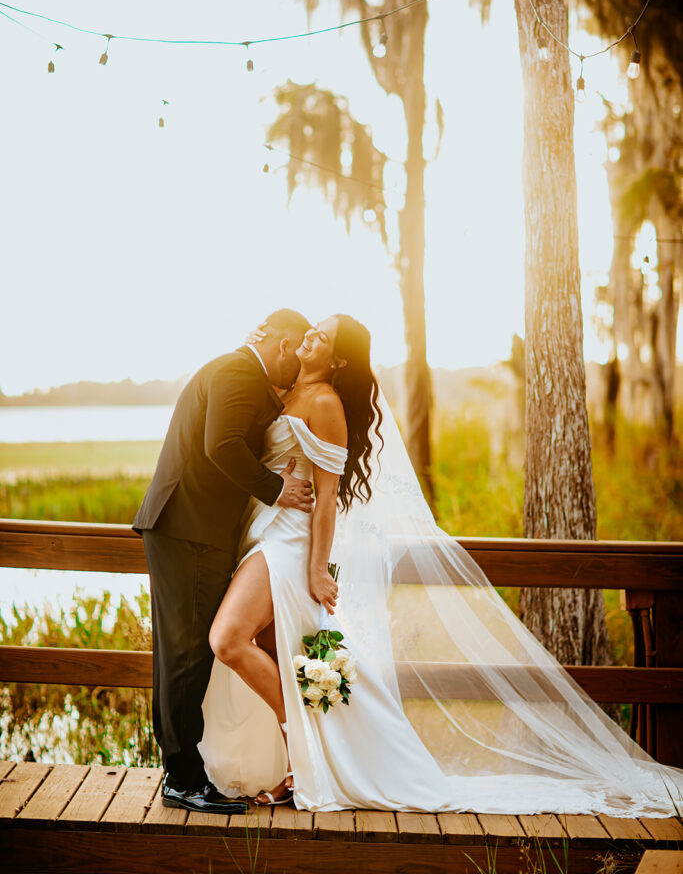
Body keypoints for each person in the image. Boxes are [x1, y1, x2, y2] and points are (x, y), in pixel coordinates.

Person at [199, 314, 683, 816]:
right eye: (312, 330)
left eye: (323, 336)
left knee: (228, 638)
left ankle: (300, 754)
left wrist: (319, 569)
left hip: (290, 546)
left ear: (339, 359)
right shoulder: (284, 390)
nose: (311, 337)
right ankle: (295, 762)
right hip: (261, 534)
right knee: (274, 651)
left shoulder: (324, 403)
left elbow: (326, 500)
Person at [133, 309, 314, 814]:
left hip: (191, 532)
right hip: (189, 532)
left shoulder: (241, 374)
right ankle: (183, 780)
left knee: (183, 656)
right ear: (282, 344)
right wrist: (278, 490)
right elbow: (221, 445)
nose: (295, 372)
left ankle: (180, 772)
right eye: (294, 359)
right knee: (187, 656)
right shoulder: (239, 372)